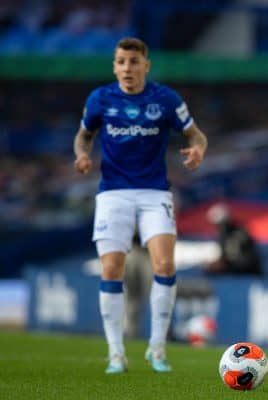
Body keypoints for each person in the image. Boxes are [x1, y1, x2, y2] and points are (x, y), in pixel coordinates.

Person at [73, 37, 208, 374]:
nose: (127, 69)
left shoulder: (165, 99)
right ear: (115, 66)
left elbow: (196, 135)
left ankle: (157, 349)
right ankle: (116, 353)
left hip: (154, 193)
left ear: (146, 65)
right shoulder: (100, 99)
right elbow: (84, 135)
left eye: (134, 62)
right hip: (113, 194)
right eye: (121, 62)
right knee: (110, 270)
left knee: (164, 265)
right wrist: (81, 154)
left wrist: (198, 150)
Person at [204, 203, 263, 276]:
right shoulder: (235, 232)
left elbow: (239, 258)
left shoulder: (235, 234)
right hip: (244, 270)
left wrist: (221, 265)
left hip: (246, 272)